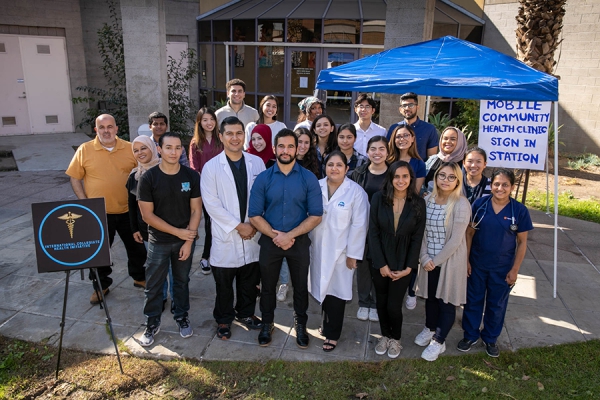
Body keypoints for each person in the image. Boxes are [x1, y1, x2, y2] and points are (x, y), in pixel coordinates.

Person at [249, 129, 323, 348]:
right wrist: (276, 236)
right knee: (268, 287)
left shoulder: (309, 178)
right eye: (281, 146)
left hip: (298, 241)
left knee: (300, 287)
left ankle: (300, 325)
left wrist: (289, 235)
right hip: (270, 242)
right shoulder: (263, 178)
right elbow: (254, 214)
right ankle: (267, 324)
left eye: (291, 146)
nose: (286, 150)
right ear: (275, 148)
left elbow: (316, 215)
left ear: (298, 148)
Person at [66, 114, 147, 304]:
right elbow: (75, 178)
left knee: (137, 248)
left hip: (129, 211)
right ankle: (101, 285)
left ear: (116, 128)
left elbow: (144, 173)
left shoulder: (129, 148)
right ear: (96, 130)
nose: (106, 131)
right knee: (99, 252)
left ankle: (139, 277)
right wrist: (84, 203)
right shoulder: (85, 150)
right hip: (98, 212)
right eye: (102, 127)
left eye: (110, 126)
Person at [201, 116, 266, 340]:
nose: (235, 138)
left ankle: (246, 314)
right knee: (224, 284)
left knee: (249, 280)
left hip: (252, 233)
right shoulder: (211, 168)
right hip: (226, 235)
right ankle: (223, 319)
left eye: (239, 133)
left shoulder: (256, 163)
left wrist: (254, 224)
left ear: (244, 135)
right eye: (229, 133)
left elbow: (262, 196)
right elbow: (211, 204)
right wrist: (239, 226)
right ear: (221, 136)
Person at [458, 169, 533, 358]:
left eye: (505, 185)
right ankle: (470, 335)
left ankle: (490, 338)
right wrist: (466, 260)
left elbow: (522, 242)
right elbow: (469, 233)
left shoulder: (519, 211)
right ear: (491, 186)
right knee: (473, 300)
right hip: (477, 264)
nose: (500, 188)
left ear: (512, 187)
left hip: (502, 268)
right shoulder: (480, 205)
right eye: (496, 184)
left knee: (496, 304)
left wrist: (515, 270)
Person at [137, 132, 202, 346]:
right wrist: (179, 233)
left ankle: (181, 317)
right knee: (154, 285)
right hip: (158, 242)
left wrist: (188, 240)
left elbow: (196, 210)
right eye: (168, 147)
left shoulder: (191, 176)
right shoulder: (149, 178)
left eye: (177, 148)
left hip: (184, 242)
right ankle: (151, 322)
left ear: (182, 150)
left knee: (181, 282)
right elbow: (148, 216)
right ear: (159, 149)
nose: (173, 152)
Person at [309, 151, 369, 352]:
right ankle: (326, 325)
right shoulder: (315, 187)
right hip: (317, 248)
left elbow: (360, 225)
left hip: (341, 252)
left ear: (347, 168)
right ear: (324, 167)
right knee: (323, 288)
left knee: (336, 293)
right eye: (330, 164)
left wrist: (353, 254)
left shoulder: (356, 192)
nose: (334, 168)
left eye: (338, 165)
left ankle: (332, 334)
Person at [413, 162, 471, 361]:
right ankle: (430, 329)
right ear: (436, 178)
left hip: (449, 262)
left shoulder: (462, 204)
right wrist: (424, 257)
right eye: (442, 175)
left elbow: (456, 240)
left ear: (457, 181)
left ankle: (439, 341)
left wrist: (435, 261)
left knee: (446, 302)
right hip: (428, 259)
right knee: (430, 298)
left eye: (451, 177)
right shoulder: (428, 200)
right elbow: (420, 233)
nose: (446, 180)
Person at [368, 161, 426, 358]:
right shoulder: (378, 198)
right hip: (380, 260)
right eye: (396, 177)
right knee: (381, 303)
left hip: (403, 262)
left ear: (410, 179)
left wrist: (409, 267)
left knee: (394, 305)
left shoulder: (418, 203)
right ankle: (385, 335)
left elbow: (417, 238)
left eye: (405, 176)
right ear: (390, 179)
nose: (400, 181)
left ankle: (396, 339)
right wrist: (381, 264)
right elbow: (373, 233)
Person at [275, 127, 321, 304]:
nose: (302, 145)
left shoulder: (313, 165)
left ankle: (303, 283)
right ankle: (285, 283)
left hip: (307, 216)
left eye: (305, 142)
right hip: (285, 216)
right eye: (299, 142)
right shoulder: (281, 162)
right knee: (284, 248)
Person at [126, 136, 169, 311]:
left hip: (171, 228)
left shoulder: (166, 170)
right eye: (135, 150)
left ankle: (178, 298)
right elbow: (131, 205)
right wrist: (134, 228)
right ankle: (162, 297)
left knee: (174, 269)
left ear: (153, 148)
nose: (140, 153)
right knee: (157, 268)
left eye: (143, 148)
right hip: (147, 231)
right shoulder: (134, 176)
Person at [387, 122, 426, 311]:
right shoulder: (388, 160)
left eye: (406, 136)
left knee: (410, 251)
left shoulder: (419, 163)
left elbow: (416, 191)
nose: (402, 139)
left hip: (410, 210)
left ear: (412, 139)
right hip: (390, 208)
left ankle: (411, 290)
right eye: (398, 136)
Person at [350, 135, 389, 322]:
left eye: (381, 149)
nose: (377, 153)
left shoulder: (394, 174)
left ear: (388, 152)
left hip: (385, 230)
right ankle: (364, 302)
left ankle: (376, 304)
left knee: (379, 266)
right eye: (373, 149)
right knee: (363, 266)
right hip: (362, 228)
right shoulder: (358, 173)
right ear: (367, 152)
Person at [189, 107, 224, 275]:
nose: (209, 123)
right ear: (199, 122)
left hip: (224, 187)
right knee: (209, 224)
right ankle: (205, 257)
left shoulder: (221, 139)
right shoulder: (195, 142)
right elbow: (194, 167)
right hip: (206, 189)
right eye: (205, 120)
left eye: (212, 119)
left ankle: (220, 253)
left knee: (222, 221)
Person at [386, 92, 439, 161]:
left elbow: (431, 158)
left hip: (419, 170)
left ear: (417, 107)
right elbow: (389, 152)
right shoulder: (394, 128)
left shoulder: (429, 129)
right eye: (404, 106)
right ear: (400, 109)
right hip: (397, 169)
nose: (407, 108)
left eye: (411, 105)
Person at [422, 126, 467, 195]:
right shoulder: (433, 160)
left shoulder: (466, 164)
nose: (448, 142)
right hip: (430, 203)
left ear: (460, 141)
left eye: (453, 139)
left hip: (455, 203)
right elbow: (421, 182)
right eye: (445, 138)